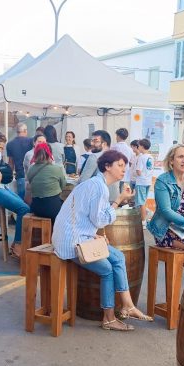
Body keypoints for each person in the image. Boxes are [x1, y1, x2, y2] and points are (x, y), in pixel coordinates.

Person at [52, 150, 153, 331]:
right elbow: (99, 220)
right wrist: (119, 200)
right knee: (107, 269)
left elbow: (85, 217)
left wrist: (92, 234)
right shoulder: (98, 186)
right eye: (120, 166)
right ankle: (110, 317)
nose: (124, 170)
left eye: (125, 167)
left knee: (118, 257)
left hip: (76, 235)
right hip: (71, 242)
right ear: (107, 166)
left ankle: (126, 306)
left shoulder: (97, 184)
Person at [147, 144, 184, 252]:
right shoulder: (162, 181)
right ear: (171, 161)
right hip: (165, 229)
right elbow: (166, 211)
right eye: (180, 157)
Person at [28, 143, 66, 224]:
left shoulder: (31, 168)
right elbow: (63, 185)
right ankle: (54, 235)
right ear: (50, 154)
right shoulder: (57, 169)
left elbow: (30, 182)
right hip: (52, 208)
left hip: (36, 208)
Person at [78, 130, 120, 202]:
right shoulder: (117, 156)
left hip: (99, 200)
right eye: (92, 141)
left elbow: (83, 181)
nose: (92, 144)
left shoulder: (94, 157)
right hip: (114, 199)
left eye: (95, 141)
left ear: (104, 144)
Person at [6, 122, 32, 200]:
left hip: (20, 175)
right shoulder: (31, 141)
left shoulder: (10, 144)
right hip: (31, 175)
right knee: (31, 202)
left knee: (21, 202)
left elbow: (11, 163)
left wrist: (10, 176)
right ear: (25, 131)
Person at [135, 138, 154, 227]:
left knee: (141, 203)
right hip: (148, 181)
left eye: (138, 145)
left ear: (142, 146)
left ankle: (143, 221)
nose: (138, 147)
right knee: (143, 201)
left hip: (141, 182)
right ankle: (146, 215)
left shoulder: (141, 157)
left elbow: (138, 171)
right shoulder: (151, 157)